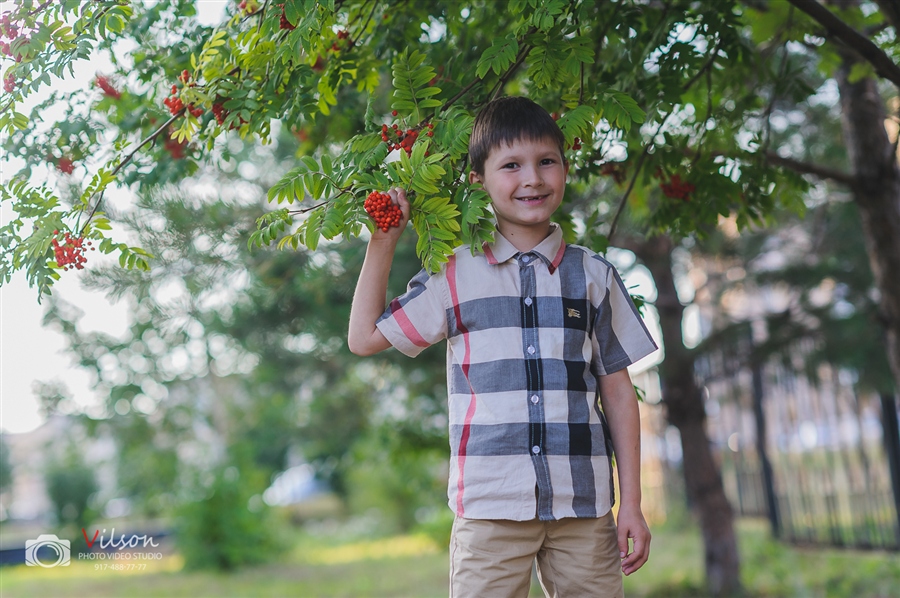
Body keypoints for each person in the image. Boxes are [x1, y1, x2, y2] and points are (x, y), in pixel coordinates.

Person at [348, 96, 658, 597]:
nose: (531, 178)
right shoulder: (453, 274)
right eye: (511, 165)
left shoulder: (594, 275)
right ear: (479, 181)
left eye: (546, 161)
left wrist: (633, 503)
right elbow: (363, 337)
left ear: (564, 168)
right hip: (490, 508)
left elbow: (619, 395)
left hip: (584, 506)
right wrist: (383, 240)